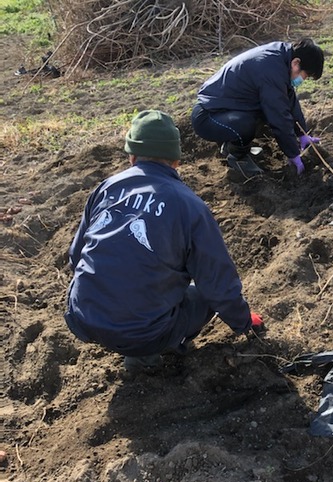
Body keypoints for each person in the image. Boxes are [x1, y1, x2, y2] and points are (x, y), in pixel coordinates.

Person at [64, 110, 263, 374]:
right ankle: (145, 354)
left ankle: (132, 334)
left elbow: (76, 258)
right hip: (142, 333)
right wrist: (243, 322)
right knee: (203, 292)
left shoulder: (106, 188)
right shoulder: (190, 206)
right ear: (176, 161)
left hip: (83, 318)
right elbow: (218, 283)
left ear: (131, 156)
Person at [191, 37, 324, 179]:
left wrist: (302, 133)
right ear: (296, 63)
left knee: (260, 113)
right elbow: (278, 115)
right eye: (307, 75)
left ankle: (233, 145)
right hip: (208, 116)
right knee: (248, 122)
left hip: (226, 109)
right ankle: (237, 156)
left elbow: (288, 99)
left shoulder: (282, 58)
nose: (304, 80)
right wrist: (293, 153)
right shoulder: (271, 69)